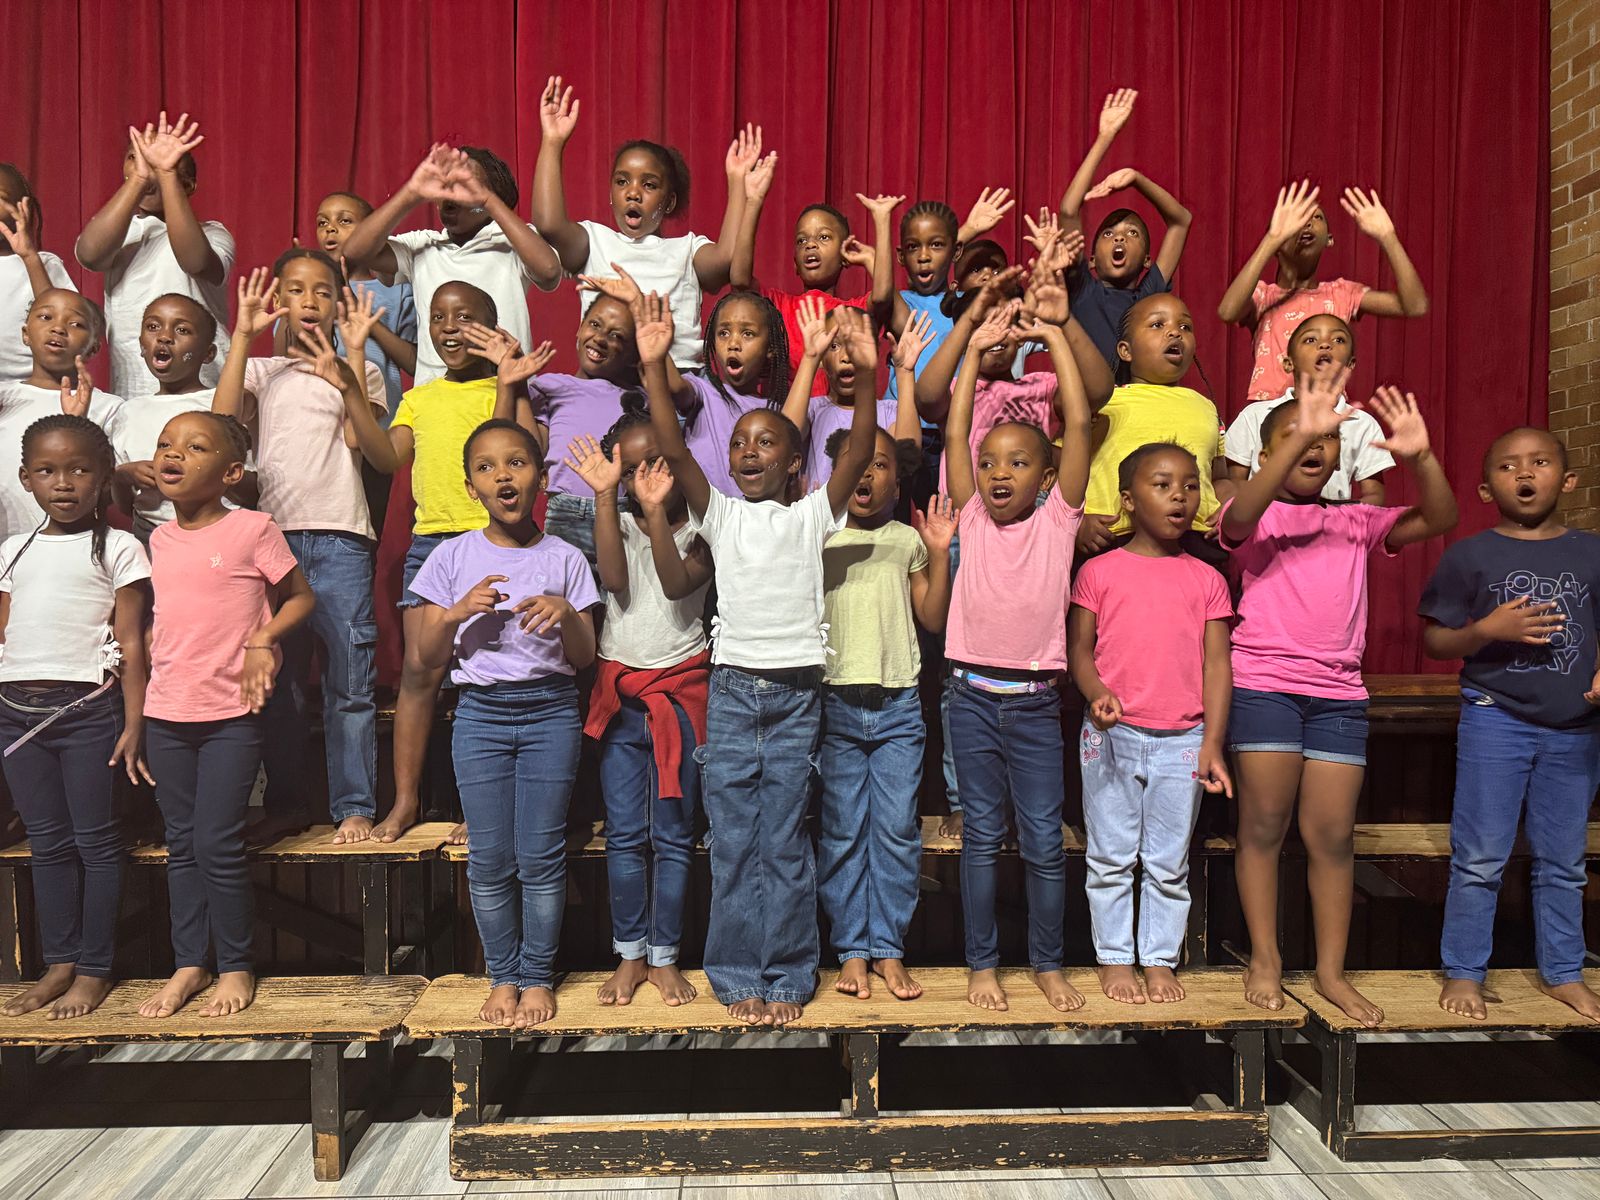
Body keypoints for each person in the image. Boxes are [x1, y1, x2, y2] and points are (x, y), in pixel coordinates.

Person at [639, 290, 879, 1026]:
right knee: (736, 842)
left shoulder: (813, 515)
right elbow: (675, 446)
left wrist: (868, 374)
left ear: (795, 460)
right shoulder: (719, 514)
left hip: (798, 695)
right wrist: (653, 366)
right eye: (740, 441)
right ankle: (740, 972)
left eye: (766, 442)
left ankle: (789, 974)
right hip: (735, 694)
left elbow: (859, 452)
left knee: (785, 841)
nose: (748, 451)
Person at [1223, 369, 1457, 1026]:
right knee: (1263, 829)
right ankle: (1265, 957)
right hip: (1266, 687)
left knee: (1331, 836)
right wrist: (1300, 434)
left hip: (1338, 694)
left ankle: (1331, 971)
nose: (1314, 447)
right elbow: (1239, 515)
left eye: (1325, 440)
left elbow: (1441, 517)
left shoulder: (1354, 519)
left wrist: (1420, 456)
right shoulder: (1255, 514)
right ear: (1266, 455)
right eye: (1297, 439)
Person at [410, 418, 600, 1029]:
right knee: (490, 859)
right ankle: (503, 976)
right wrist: (455, 612)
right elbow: (425, 659)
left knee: (540, 856)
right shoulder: (451, 555)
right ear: (471, 487)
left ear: (541, 477)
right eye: (487, 467)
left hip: (550, 713)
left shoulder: (565, 557)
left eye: (517, 462)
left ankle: (537, 976)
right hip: (480, 717)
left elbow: (585, 657)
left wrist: (566, 612)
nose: (503, 475)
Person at [138, 410, 315, 1019]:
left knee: (216, 841)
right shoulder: (158, 539)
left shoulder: (252, 528)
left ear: (231, 472)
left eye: (195, 447)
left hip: (231, 716)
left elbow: (302, 598)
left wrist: (264, 639)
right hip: (166, 713)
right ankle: (190, 963)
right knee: (182, 844)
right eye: (166, 444)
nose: (174, 454)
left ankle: (236, 964)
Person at [213, 259, 395, 843]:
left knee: (350, 685)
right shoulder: (262, 371)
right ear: (280, 301)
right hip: (274, 542)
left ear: (339, 304)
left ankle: (354, 807)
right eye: (296, 290)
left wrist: (351, 368)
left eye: (322, 291)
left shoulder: (362, 370)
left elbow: (368, 446)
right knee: (280, 686)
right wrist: (243, 336)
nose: (309, 300)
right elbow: (218, 431)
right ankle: (288, 804)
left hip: (342, 539)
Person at [942, 302, 1091, 1014]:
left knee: (1041, 842)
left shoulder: (1059, 520)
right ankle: (982, 965)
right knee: (981, 840)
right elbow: (954, 430)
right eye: (989, 462)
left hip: (1034, 706)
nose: (999, 473)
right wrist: (974, 351)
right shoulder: (970, 515)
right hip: (970, 699)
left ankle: (1048, 964)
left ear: (1048, 475)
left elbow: (1081, 423)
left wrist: (1055, 333)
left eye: (1019, 462)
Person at [1422, 427, 1600, 1022]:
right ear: (1484, 489)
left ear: (1567, 480)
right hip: (1494, 717)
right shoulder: (1469, 555)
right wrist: (1485, 631)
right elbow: (1436, 639)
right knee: (1480, 856)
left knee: (1564, 861)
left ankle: (1564, 972)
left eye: (1540, 462)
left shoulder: (1592, 552)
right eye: (1507, 466)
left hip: (1576, 727)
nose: (1524, 473)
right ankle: (1465, 971)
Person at [378, 282, 554, 844]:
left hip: (494, 542)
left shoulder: (513, 383)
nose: (449, 328)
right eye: (437, 317)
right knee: (420, 673)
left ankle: (479, 808)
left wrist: (509, 381)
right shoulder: (420, 397)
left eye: (464, 318)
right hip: (431, 544)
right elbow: (386, 457)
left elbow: (518, 447)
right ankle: (406, 801)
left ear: (492, 327)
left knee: (489, 673)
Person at [1069, 443, 1233, 1004]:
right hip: (1112, 736)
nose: (1179, 497)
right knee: (1111, 857)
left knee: (1167, 862)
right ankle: (1115, 958)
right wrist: (1097, 694)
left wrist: (1213, 742)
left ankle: (1159, 959)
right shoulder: (1098, 571)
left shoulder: (1207, 579)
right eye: (1162, 485)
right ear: (1128, 500)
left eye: (1189, 485)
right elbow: (1080, 651)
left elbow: (1217, 665)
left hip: (1184, 739)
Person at [0, 416, 150, 1020]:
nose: (63, 482)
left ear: (104, 476)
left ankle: (94, 969)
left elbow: (132, 642)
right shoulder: (12, 550)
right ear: (25, 479)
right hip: (15, 716)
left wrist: (134, 723)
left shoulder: (120, 547)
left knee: (96, 842)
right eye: (47, 471)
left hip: (88, 712)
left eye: (79, 469)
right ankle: (60, 962)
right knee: (47, 843)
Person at [568, 410, 713, 1008]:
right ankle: (630, 954)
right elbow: (614, 578)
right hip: (622, 699)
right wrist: (607, 498)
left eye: (657, 461)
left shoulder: (703, 528)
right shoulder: (617, 523)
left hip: (680, 698)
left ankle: (666, 957)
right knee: (626, 836)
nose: (647, 475)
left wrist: (654, 512)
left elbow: (677, 585)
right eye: (630, 469)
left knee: (674, 837)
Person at [819, 425, 955, 1001]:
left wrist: (940, 553)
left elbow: (932, 617)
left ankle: (889, 948)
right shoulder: (820, 536)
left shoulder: (906, 540)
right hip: (836, 703)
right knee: (843, 831)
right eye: (855, 463)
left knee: (896, 832)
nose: (865, 473)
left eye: (879, 464)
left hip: (898, 705)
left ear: (898, 484)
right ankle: (852, 948)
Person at [532, 77, 762, 370]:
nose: (633, 192)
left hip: (677, 378)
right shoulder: (595, 241)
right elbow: (548, 224)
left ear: (669, 202)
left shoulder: (687, 250)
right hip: (610, 378)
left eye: (649, 185)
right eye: (622, 182)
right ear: (611, 194)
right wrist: (552, 141)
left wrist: (737, 182)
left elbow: (726, 259)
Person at [340, 144, 561, 384]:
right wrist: (411, 193)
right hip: (435, 396)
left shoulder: (511, 242)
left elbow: (549, 272)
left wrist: (487, 200)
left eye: (464, 184)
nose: (451, 193)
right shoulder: (422, 245)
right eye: (445, 184)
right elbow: (355, 252)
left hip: (504, 392)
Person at [1218, 180, 1429, 403]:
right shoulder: (1264, 296)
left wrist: (1388, 237)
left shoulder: (1342, 294)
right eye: (1297, 219)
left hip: (1326, 412)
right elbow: (1227, 311)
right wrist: (1272, 238)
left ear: (1329, 239)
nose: (1307, 223)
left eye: (1316, 217)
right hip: (1271, 413)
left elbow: (1415, 306)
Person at [74, 113, 234, 396]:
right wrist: (139, 178)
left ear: (188, 185)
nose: (151, 165)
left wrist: (167, 173)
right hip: (136, 388)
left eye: (163, 163)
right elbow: (89, 255)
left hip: (205, 389)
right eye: (136, 158)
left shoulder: (212, 234)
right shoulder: (120, 234)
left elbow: (195, 261)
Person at [1078, 293, 1229, 561]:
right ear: (1126, 351)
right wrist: (1077, 521)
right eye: (1158, 324)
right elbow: (1061, 470)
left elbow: (1219, 478)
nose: (1175, 332)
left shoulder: (1206, 406)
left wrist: (1228, 506)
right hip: (1114, 535)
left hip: (1195, 538)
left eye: (1185, 327)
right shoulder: (1103, 402)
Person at [1056, 88, 1192, 370]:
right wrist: (1105, 137)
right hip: (1091, 398)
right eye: (1108, 234)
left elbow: (1181, 221)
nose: (1119, 237)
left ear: (1147, 260)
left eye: (1132, 233)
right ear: (1091, 259)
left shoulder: (1148, 297)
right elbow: (1069, 209)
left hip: (1139, 396)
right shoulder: (1083, 290)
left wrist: (1137, 179)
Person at [522, 292, 642, 574]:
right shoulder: (550, 386)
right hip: (565, 512)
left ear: (632, 354)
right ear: (579, 329)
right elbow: (533, 450)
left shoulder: (638, 399)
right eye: (595, 324)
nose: (600, 338)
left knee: (618, 595)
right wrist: (513, 385)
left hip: (621, 513)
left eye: (616, 335)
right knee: (563, 593)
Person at [734, 189, 898, 391]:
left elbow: (883, 295)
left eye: (824, 237)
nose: (810, 244)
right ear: (795, 263)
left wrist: (881, 225)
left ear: (844, 256)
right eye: (801, 240)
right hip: (785, 409)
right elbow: (740, 281)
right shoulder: (777, 305)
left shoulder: (851, 313)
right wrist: (753, 202)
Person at [1224, 314, 1391, 504]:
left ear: (1350, 364)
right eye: (1311, 340)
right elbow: (1234, 483)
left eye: (1338, 340)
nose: (1325, 345)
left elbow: (1374, 495)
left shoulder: (1363, 424)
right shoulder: (1254, 416)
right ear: (1289, 363)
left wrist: (1342, 518)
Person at [107, 294, 230, 547]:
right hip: (151, 535)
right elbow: (125, 505)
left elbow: (248, 484)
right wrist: (124, 476)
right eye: (153, 327)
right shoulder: (128, 412)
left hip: (217, 534)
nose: (164, 336)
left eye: (182, 330)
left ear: (208, 353)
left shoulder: (220, 402)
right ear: (141, 345)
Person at [0, 290, 123, 541]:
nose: (58, 328)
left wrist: (77, 425)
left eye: (76, 324)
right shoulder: (4, 398)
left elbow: (111, 490)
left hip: (69, 543)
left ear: (94, 347)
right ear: (25, 333)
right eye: (46, 317)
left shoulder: (109, 407)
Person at [784, 300, 929, 485]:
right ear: (822, 359)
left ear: (875, 354)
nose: (846, 357)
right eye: (834, 346)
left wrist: (905, 373)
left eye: (857, 345)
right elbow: (785, 438)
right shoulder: (812, 410)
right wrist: (810, 358)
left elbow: (908, 456)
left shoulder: (890, 412)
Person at [311, 191, 418, 419]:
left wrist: (364, 317)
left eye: (344, 220)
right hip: (318, 418)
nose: (330, 229)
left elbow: (414, 364)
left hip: (378, 422)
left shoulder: (397, 290)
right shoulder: (309, 291)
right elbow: (284, 354)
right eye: (322, 222)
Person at [0, 164, 77, 382]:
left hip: (33, 386)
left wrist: (29, 257)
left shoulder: (44, 264)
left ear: (23, 208)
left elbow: (65, 319)